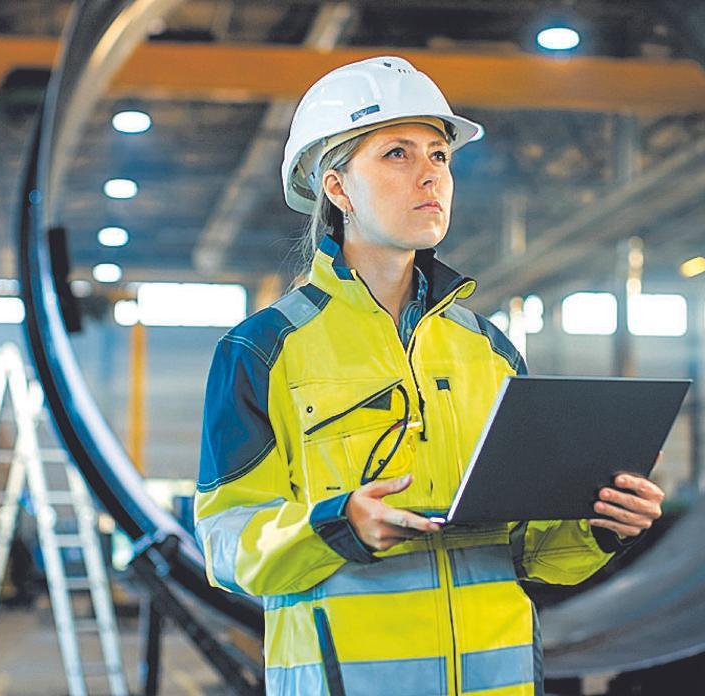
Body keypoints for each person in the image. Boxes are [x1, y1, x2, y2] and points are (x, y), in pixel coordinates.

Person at [194, 55, 665, 695]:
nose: (430, 176)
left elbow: (531, 552)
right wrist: (342, 524)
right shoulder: (263, 351)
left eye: (439, 155)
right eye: (396, 154)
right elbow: (227, 544)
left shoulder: (489, 351)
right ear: (337, 188)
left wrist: (601, 524)